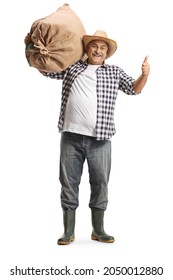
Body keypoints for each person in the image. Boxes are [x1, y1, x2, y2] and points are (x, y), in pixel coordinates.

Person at [25, 30, 150, 245]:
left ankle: (98, 229)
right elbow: (45, 70)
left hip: (100, 140)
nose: (98, 50)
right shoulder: (73, 66)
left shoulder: (114, 72)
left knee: (100, 182)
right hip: (71, 136)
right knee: (68, 183)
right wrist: (31, 49)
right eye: (94, 46)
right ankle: (68, 231)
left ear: (107, 53)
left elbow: (133, 89)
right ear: (88, 48)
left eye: (102, 48)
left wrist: (145, 75)